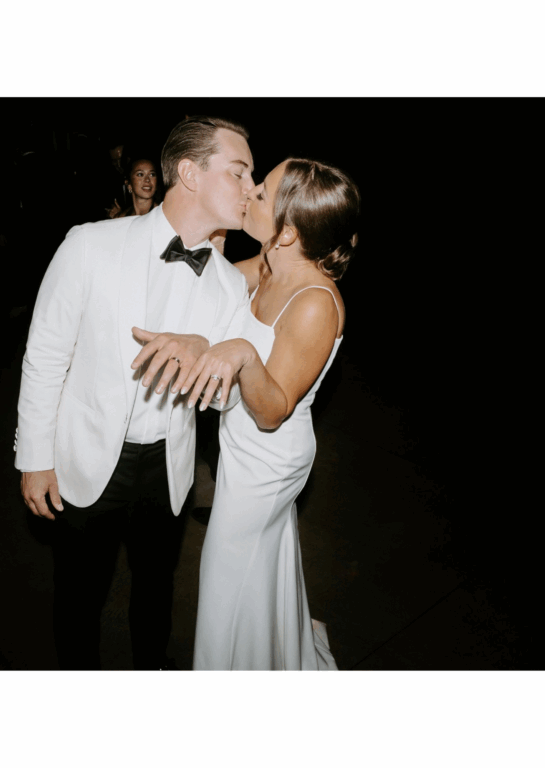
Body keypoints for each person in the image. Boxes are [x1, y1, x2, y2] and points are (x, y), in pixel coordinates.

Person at [15, 116, 255, 670]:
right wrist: (35, 457)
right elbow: (46, 353)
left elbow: (225, 402)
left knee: (155, 595)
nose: (250, 187)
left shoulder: (226, 284)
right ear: (190, 173)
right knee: (78, 597)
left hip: (167, 470)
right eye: (239, 172)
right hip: (85, 456)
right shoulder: (89, 243)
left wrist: (207, 353)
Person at [135, 157, 360, 669]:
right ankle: (283, 651)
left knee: (225, 578)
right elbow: (210, 285)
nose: (250, 192)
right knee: (260, 566)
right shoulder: (267, 265)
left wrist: (243, 353)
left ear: (288, 232)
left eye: (261, 193)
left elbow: (273, 410)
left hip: (268, 459)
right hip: (238, 445)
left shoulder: (314, 303)